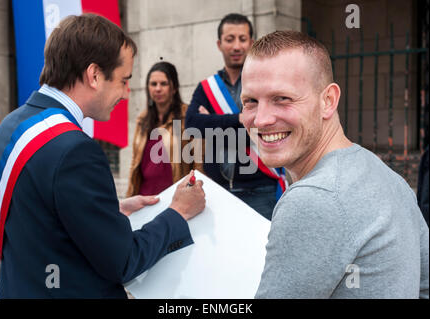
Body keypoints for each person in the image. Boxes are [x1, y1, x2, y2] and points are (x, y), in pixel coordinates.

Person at [0, 14, 205, 298]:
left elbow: (42, 222)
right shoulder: (75, 150)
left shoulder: (9, 126)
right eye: (123, 80)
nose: (127, 94)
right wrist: (178, 212)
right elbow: (124, 261)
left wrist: (108, 211)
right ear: (94, 75)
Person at [240, 30, 429, 298]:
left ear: (328, 101)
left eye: (282, 99)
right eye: (250, 102)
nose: (260, 120)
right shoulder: (386, 176)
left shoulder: (314, 198)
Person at [185, 13, 286, 220]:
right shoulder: (207, 88)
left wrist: (213, 123)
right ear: (219, 43)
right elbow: (192, 125)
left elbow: (266, 125)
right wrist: (239, 119)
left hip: (260, 189)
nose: (236, 46)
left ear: (251, 42)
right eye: (230, 39)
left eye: (242, 39)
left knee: (260, 252)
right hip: (218, 190)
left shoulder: (266, 83)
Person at [126, 61, 202, 197]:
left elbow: (198, 164)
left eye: (164, 84)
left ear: (174, 88)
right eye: (153, 84)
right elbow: (135, 162)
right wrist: (129, 197)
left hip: (175, 198)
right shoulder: (142, 120)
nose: (158, 89)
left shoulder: (188, 116)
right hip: (145, 198)